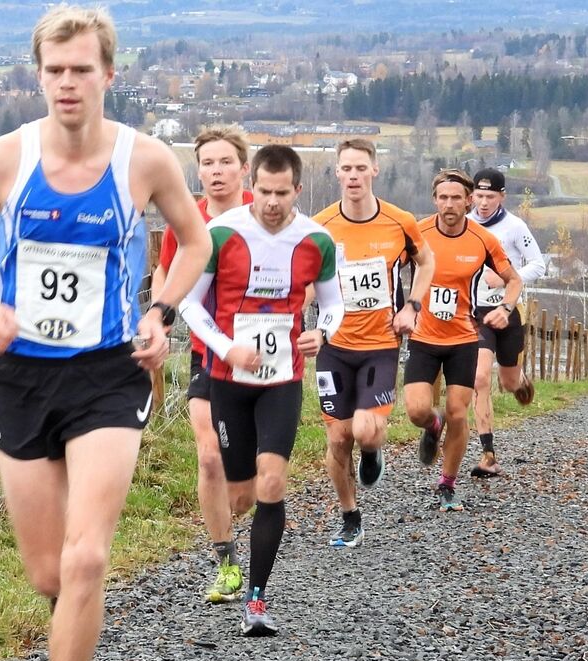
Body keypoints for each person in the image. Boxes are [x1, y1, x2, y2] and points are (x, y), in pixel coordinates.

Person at [0, 6, 210, 661]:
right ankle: (71, 630)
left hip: (108, 372)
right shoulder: (4, 158)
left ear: (108, 74)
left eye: (82, 69)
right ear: (38, 76)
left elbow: (196, 241)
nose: (68, 83)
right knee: (49, 574)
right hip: (21, 375)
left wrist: (161, 312)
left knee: (87, 561)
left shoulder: (144, 159)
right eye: (55, 70)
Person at [180, 144, 343, 635]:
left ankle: (256, 600)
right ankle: (224, 548)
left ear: (298, 189)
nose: (272, 202)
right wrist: (225, 347)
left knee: (273, 482)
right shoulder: (220, 233)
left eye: (282, 194)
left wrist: (323, 332)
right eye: (265, 192)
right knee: (242, 495)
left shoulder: (317, 239)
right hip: (228, 379)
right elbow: (189, 305)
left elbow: (335, 304)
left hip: (282, 378)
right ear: (255, 182)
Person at [311, 138, 433, 546]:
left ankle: (372, 451)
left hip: (380, 344)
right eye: (346, 169)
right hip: (332, 345)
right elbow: (307, 279)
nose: (353, 176)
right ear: (337, 173)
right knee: (337, 437)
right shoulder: (321, 225)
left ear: (374, 171)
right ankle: (350, 516)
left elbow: (426, 261)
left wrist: (412, 305)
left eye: (360, 168)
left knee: (364, 431)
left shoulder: (399, 222)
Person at [150, 123, 254, 603]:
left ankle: (247, 501)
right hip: (207, 355)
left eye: (225, 162)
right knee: (209, 455)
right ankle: (227, 563)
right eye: (207, 163)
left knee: (246, 487)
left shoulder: (265, 212)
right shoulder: (186, 220)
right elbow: (166, 271)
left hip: (262, 360)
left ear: (243, 167)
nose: (216, 171)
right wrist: (159, 317)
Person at [405, 169, 522, 513]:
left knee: (459, 412)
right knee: (416, 411)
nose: (450, 204)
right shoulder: (418, 234)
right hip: (424, 337)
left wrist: (506, 306)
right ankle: (432, 424)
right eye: (443, 197)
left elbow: (513, 280)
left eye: (457, 198)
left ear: (469, 201)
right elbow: (387, 267)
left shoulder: (482, 240)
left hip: (462, 339)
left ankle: (447, 484)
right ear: (434, 200)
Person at [467, 168, 544, 476]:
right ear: (471, 195)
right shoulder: (464, 224)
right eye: (479, 196)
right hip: (476, 314)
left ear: (502, 196)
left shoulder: (514, 226)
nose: (484, 203)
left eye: (490, 196)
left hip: (508, 310)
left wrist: (505, 278)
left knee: (508, 381)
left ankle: (520, 380)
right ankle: (488, 453)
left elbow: (538, 264)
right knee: (480, 378)